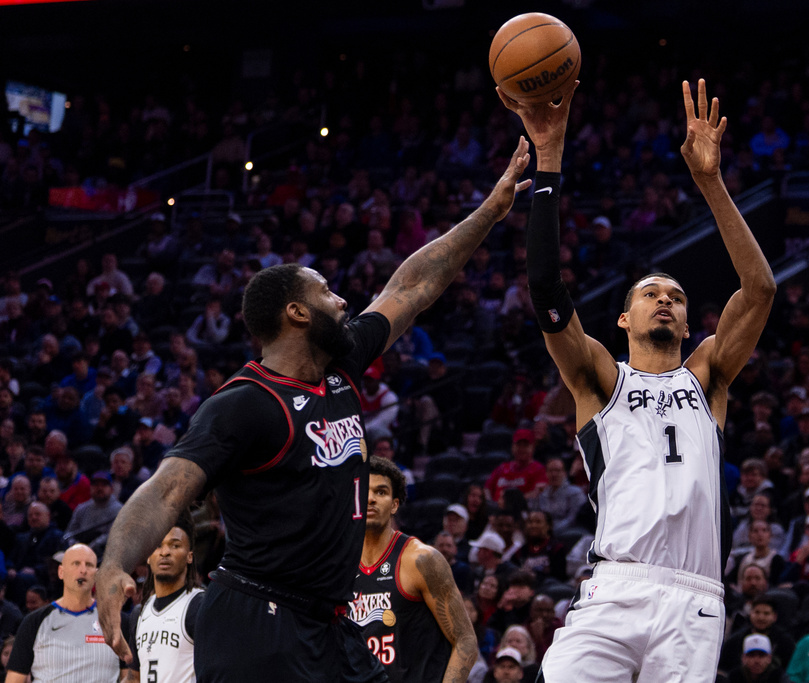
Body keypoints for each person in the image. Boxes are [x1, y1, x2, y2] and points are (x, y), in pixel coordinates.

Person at [96, 138, 533, 681]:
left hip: (328, 621)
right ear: (297, 313)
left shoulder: (341, 363)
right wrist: (115, 563)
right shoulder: (245, 403)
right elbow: (167, 489)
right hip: (256, 621)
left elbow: (413, 285)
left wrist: (490, 211)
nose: (343, 301)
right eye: (327, 292)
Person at [501, 77, 776, 682]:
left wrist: (710, 182)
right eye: (651, 294)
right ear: (624, 318)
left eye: (676, 296)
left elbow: (760, 290)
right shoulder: (600, 380)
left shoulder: (709, 375)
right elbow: (545, 288)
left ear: (688, 322)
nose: (665, 300)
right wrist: (549, 158)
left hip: (695, 597)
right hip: (615, 586)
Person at [350, 457, 477, 682]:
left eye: (381, 492)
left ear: (394, 504)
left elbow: (465, 640)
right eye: (364, 491)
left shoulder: (422, 559)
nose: (370, 499)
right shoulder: (340, 564)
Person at [6, 544, 124, 682]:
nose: (83, 570)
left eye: (89, 565)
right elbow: (14, 679)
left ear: (97, 575)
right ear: (61, 572)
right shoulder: (34, 622)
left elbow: (131, 677)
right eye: (76, 564)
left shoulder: (117, 621)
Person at [125, 515, 204, 683]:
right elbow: (134, 677)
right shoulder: (139, 613)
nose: (165, 552)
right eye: (158, 545)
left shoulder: (199, 605)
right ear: (148, 556)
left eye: (175, 545)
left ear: (189, 556)